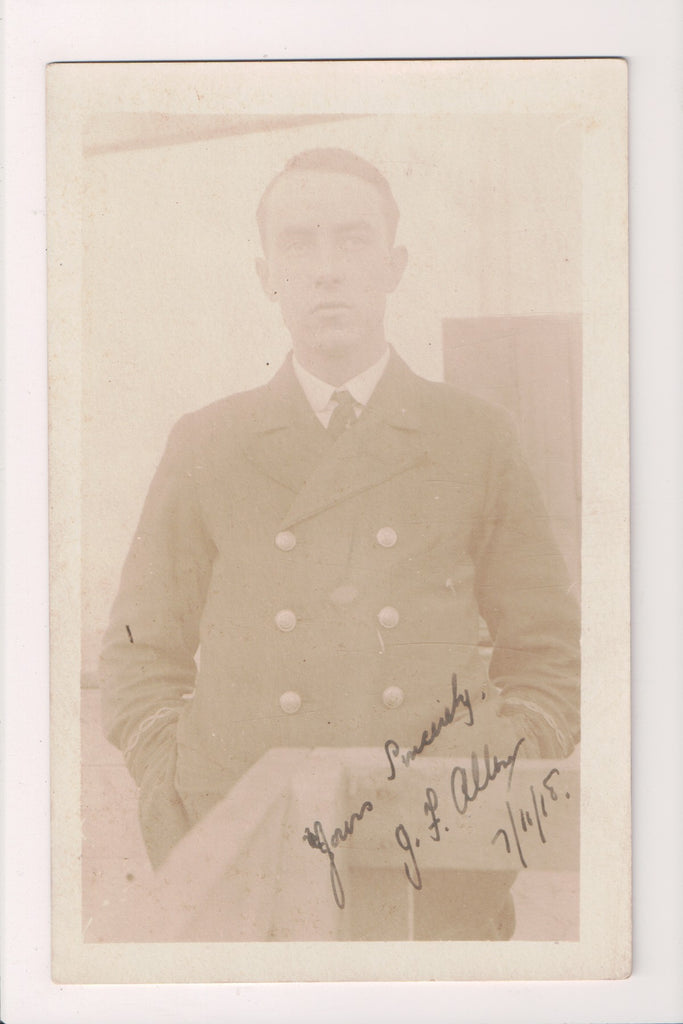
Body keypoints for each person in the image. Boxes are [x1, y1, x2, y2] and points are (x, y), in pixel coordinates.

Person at [99, 147, 580, 940]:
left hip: (438, 845)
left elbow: (550, 651)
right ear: (266, 275)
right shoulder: (207, 443)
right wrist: (170, 776)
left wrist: (500, 768)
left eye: (352, 240)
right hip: (241, 834)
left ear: (393, 266)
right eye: (299, 243)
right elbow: (137, 652)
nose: (326, 269)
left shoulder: (476, 438)